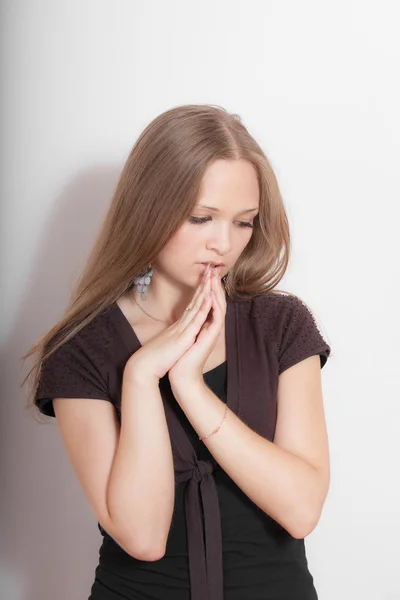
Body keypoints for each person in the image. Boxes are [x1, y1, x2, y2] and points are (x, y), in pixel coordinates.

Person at [21, 104, 332, 600]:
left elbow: (301, 509)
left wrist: (190, 386)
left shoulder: (281, 325)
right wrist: (142, 376)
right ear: (149, 207)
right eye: (200, 218)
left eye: (244, 223)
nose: (223, 243)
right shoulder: (83, 349)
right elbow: (142, 537)